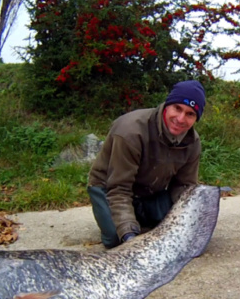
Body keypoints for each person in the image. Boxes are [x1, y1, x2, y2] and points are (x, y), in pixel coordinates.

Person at [87, 80, 206, 248]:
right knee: (116, 239)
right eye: (177, 108)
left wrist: (192, 218)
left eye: (190, 114)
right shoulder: (130, 132)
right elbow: (119, 189)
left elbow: (184, 186)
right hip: (109, 188)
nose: (180, 119)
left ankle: (141, 214)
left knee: (185, 228)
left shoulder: (192, 142)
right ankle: (128, 219)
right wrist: (129, 237)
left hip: (149, 190)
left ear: (196, 118)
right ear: (167, 105)